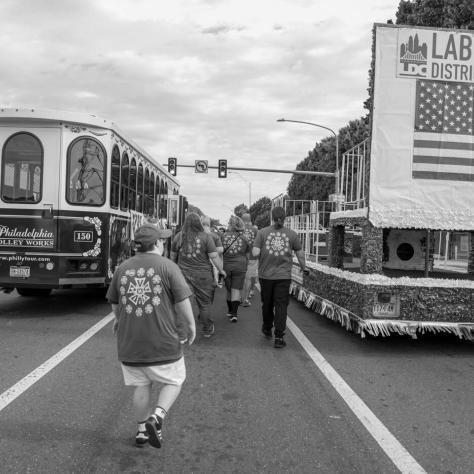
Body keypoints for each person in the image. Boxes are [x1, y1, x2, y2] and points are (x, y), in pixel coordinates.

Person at [106, 223, 196, 449]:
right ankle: (157, 417)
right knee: (174, 380)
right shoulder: (168, 267)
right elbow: (182, 301)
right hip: (163, 342)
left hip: (130, 344)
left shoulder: (122, 268)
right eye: (162, 240)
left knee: (141, 385)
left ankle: (141, 431)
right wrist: (191, 324)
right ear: (156, 244)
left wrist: (119, 319)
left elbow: (115, 305)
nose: (164, 243)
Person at [252, 206, 309, 348]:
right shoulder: (292, 234)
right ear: (285, 218)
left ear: (272, 217)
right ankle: (279, 337)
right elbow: (300, 254)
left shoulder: (262, 233)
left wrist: (262, 251)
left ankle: (266, 327)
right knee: (281, 306)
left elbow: (254, 253)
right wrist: (304, 267)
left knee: (267, 303)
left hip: (265, 276)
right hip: (283, 277)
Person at [170, 212, 226, 338]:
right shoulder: (206, 237)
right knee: (204, 303)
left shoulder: (179, 236)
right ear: (199, 223)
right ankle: (207, 329)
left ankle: (182, 334)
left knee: (183, 303)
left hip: (182, 274)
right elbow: (214, 257)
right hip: (203, 275)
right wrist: (221, 270)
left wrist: (173, 271)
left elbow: (172, 256)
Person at [222, 215, 250, 323]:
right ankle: (234, 314)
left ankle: (230, 310)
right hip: (240, 266)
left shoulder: (223, 236)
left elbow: (220, 251)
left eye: (229, 223)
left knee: (229, 289)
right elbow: (247, 254)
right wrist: (246, 265)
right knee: (236, 289)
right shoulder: (244, 238)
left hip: (226, 266)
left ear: (231, 224)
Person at [240, 213, 259, 307]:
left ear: (242, 220)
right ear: (250, 219)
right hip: (252, 257)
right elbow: (258, 244)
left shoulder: (239, 230)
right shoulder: (255, 230)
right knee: (249, 278)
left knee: (240, 278)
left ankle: (239, 297)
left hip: (241, 257)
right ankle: (246, 298)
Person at [201, 215, 224, 287]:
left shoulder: (195, 235)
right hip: (211, 262)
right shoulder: (214, 236)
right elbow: (220, 250)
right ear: (209, 224)